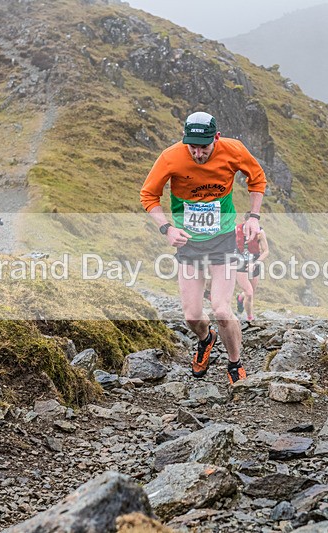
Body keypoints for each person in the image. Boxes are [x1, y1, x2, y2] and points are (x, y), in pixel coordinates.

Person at [140, 111, 266, 384]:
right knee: (192, 315)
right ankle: (206, 339)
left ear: (216, 138)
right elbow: (148, 195)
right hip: (190, 243)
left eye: (204, 147)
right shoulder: (171, 157)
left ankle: (235, 363)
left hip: (223, 240)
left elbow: (257, 179)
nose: (198, 154)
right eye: (192, 147)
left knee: (221, 309)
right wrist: (167, 228)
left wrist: (253, 217)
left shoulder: (233, 150)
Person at [235, 212, 269, 322]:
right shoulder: (236, 230)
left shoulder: (260, 232)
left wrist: (255, 264)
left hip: (254, 261)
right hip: (240, 262)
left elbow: (266, 251)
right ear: (243, 221)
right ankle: (250, 318)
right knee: (249, 293)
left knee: (250, 292)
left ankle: (240, 297)